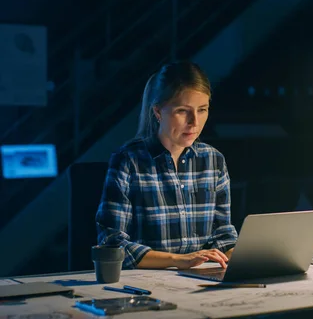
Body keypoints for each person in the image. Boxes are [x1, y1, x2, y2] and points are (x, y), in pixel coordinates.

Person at [95, 61, 237, 270]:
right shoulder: (128, 161)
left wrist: (241, 256)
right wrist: (181, 260)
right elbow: (112, 244)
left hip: (202, 278)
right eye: (182, 111)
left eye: (202, 110)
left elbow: (223, 235)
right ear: (158, 112)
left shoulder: (214, 161)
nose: (194, 122)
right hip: (148, 284)